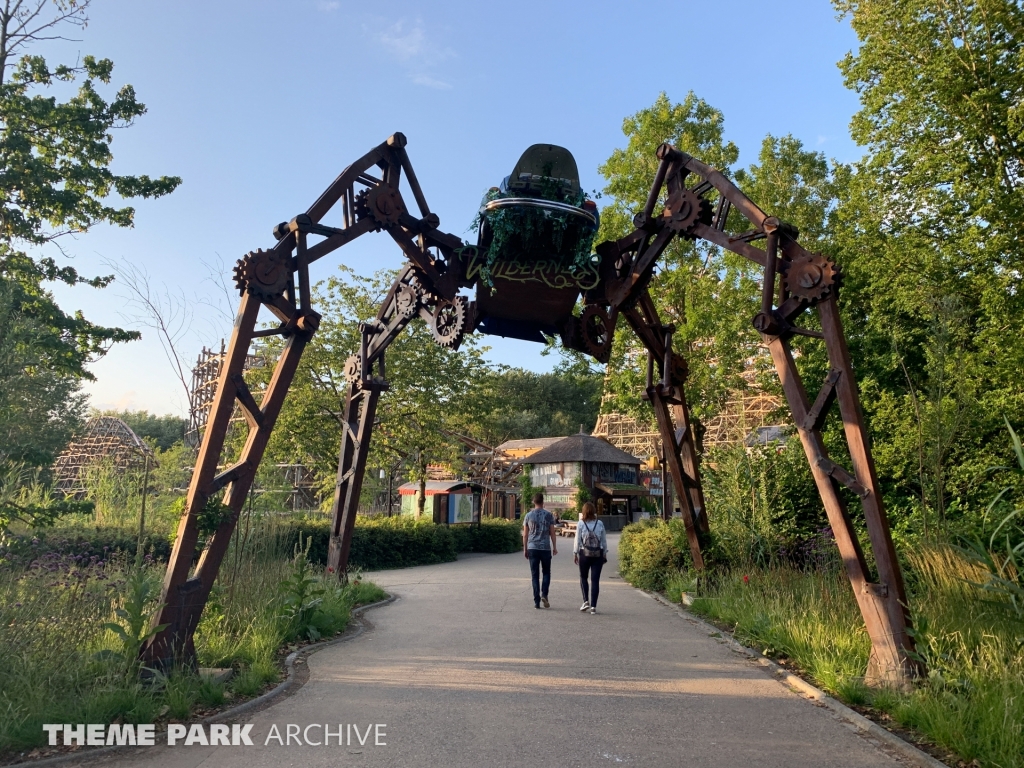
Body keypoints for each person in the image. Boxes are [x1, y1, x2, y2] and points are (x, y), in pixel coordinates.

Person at [522, 492, 557, 608]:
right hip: (545, 548)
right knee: (546, 572)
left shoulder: (528, 515)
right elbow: (552, 532)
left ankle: (536, 601)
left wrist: (525, 548)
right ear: (543, 502)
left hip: (532, 547)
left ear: (534, 502)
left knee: (534, 575)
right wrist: (554, 547)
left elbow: (525, 535)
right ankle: (544, 594)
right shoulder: (549, 515)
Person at [574, 501, 607, 615]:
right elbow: (603, 540)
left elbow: (577, 540)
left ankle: (586, 601)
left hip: (584, 553)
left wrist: (575, 553)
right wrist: (604, 553)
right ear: (594, 511)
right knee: (595, 580)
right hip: (598, 554)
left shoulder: (581, 524)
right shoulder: (600, 523)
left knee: (583, 577)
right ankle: (593, 606)